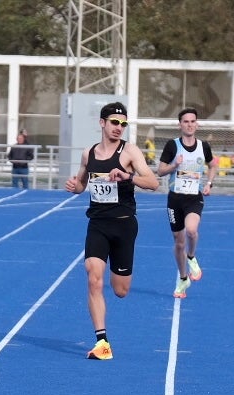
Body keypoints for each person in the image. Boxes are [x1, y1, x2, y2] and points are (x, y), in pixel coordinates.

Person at [64, 102, 159, 361]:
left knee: (120, 290)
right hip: (98, 224)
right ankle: (102, 343)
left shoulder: (129, 152)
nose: (119, 127)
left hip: (124, 225)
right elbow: (81, 184)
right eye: (115, 122)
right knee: (93, 277)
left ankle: (104, 336)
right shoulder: (88, 154)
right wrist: (74, 186)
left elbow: (153, 183)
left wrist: (128, 177)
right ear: (102, 123)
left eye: (123, 124)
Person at [156, 107, 213, 299]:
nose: (189, 125)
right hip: (175, 199)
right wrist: (174, 165)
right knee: (179, 243)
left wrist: (209, 183)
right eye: (186, 121)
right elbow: (160, 171)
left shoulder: (204, 147)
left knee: (191, 230)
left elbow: (213, 165)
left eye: (192, 121)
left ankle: (192, 257)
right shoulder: (172, 146)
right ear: (180, 124)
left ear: (197, 124)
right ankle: (182, 278)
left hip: (194, 198)